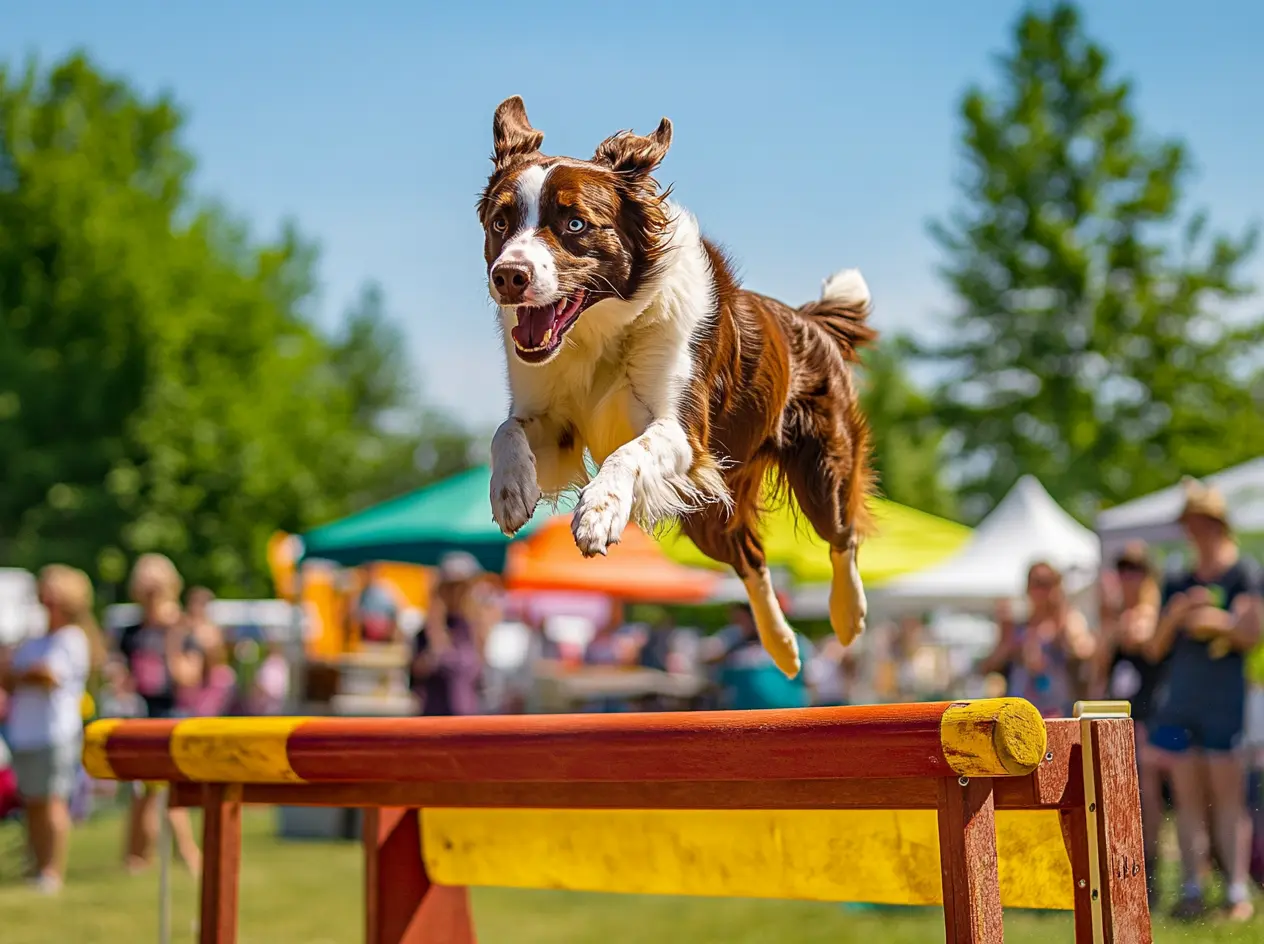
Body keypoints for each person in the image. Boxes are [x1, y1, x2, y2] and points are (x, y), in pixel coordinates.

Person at [1146, 478, 1263, 921]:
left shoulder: (1243, 573)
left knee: (1229, 799)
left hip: (1224, 703)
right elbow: (1154, 649)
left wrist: (1215, 621)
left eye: (1199, 521)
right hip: (1182, 702)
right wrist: (1177, 614)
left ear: (1217, 523)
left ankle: (1236, 893)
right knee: (1189, 801)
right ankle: (1193, 888)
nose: (1193, 530)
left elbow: (1252, 634)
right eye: (1188, 522)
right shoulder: (1177, 576)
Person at [0, 565, 104, 893]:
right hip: (26, 732)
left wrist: (23, 673)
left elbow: (47, 677)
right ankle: (36, 865)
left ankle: (52, 870)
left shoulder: (72, 638)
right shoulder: (36, 639)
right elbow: (12, 677)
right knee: (32, 802)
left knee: (52, 802)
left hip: (55, 732)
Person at [115, 553, 202, 876]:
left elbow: (187, 678)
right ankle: (136, 856)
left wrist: (172, 639)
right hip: (139, 714)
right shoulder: (130, 632)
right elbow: (122, 677)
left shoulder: (180, 629)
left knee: (166, 789)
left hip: (172, 714)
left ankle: (187, 853)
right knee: (142, 791)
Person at [1092, 541, 1166, 904]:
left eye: (1135, 569)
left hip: (1148, 716)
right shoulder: (1116, 615)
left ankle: (1150, 872)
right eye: (1122, 569)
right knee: (1116, 795)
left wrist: (1116, 621)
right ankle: (1125, 871)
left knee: (1145, 795)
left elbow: (1144, 640)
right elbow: (1099, 664)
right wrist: (1109, 621)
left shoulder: (1152, 611)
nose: (1127, 577)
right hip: (1117, 715)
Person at [995, 562, 1095, 719]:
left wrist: (1063, 633)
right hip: (1020, 713)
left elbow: (1086, 650)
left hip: (1057, 712)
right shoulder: (1019, 626)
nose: (1039, 591)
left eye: (1045, 584)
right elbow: (991, 665)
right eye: (1035, 583)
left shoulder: (1068, 620)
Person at [410, 553, 486, 716]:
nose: (456, 593)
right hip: (435, 726)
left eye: (462, 587)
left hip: (469, 726)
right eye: (451, 587)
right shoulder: (427, 630)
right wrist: (435, 640)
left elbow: (481, 681)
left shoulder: (473, 628)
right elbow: (414, 676)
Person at [702, 602, 813, 711]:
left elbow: (810, 679)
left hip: (787, 713)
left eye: (741, 620)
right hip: (745, 715)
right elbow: (716, 676)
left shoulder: (791, 641)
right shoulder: (731, 643)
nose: (738, 625)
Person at [356, 563, 403, 646]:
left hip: (385, 641)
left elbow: (398, 612)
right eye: (365, 572)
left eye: (370, 571)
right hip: (367, 641)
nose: (367, 575)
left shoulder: (387, 589)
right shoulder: (361, 593)